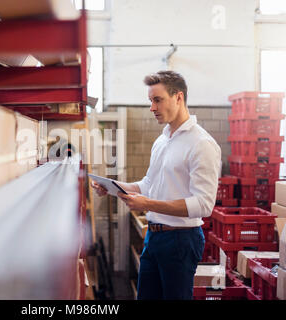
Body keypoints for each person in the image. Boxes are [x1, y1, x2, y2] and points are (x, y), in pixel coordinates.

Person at [91, 70, 221, 300]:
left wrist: (148, 203)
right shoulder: (162, 140)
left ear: (178, 98)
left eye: (157, 100)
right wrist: (113, 187)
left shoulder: (202, 144)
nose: (152, 107)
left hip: (181, 240)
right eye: (150, 101)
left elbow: (204, 205)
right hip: (153, 237)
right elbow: (149, 183)